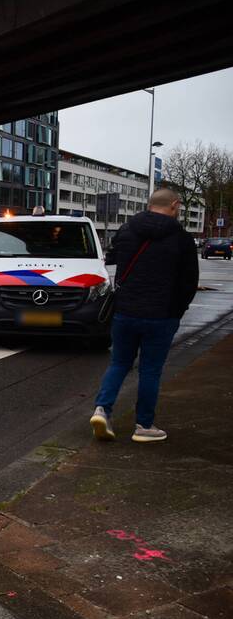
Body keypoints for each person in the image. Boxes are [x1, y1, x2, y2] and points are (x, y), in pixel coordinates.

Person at [90, 188, 199, 444]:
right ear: (174, 205)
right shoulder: (182, 238)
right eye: (179, 207)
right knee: (150, 370)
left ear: (150, 204)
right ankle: (144, 426)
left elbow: (113, 259)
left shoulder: (127, 230)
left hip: (125, 312)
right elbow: (188, 283)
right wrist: (177, 311)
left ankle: (102, 410)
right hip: (161, 315)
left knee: (119, 363)